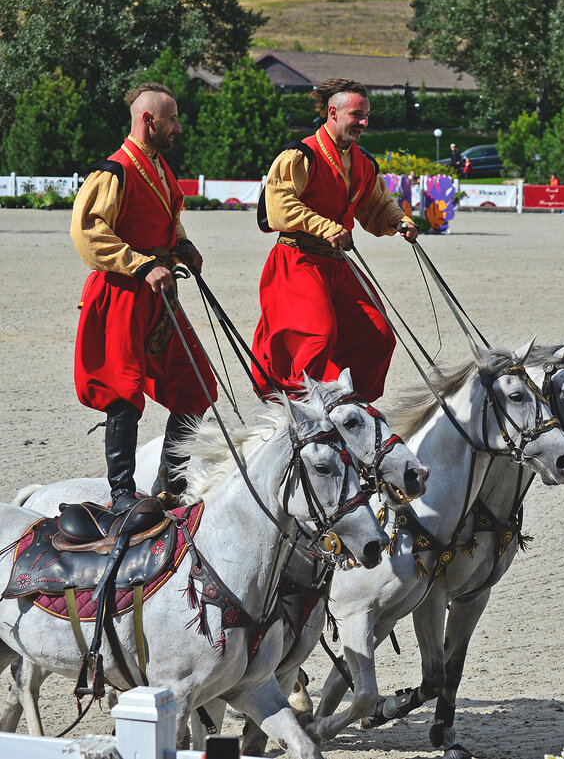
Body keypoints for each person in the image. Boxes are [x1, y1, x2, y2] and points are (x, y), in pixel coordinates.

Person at [71, 82, 217, 513]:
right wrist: (140, 264)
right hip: (119, 293)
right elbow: (89, 233)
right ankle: (120, 493)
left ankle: (169, 484)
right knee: (123, 391)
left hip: (158, 294)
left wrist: (181, 246)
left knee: (198, 384)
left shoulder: (160, 167)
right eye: (171, 119)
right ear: (148, 121)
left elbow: (168, 220)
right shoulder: (114, 171)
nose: (178, 126)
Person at [251, 77, 418, 403]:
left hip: (337, 262)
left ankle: (349, 407)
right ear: (333, 113)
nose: (364, 123)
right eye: (357, 115)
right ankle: (303, 407)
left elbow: (376, 206)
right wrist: (324, 226)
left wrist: (399, 221)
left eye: (366, 115)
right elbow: (279, 207)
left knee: (379, 335)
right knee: (317, 336)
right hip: (296, 259)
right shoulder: (299, 155)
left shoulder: (364, 163)